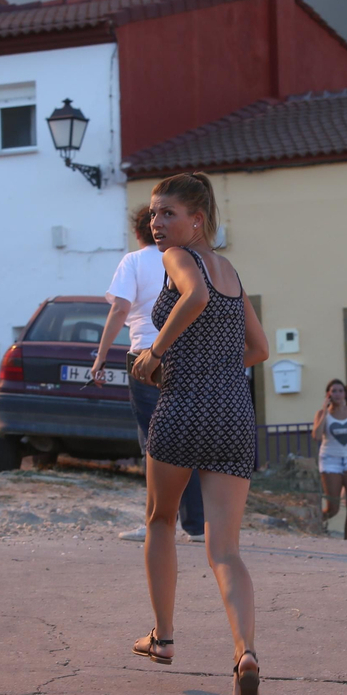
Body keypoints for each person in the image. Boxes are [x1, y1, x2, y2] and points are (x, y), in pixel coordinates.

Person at [128, 172, 270, 695]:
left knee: (160, 520)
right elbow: (257, 348)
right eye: (153, 214)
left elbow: (194, 295)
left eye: (166, 213)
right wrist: (214, 369)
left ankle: (163, 637)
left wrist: (160, 352)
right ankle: (246, 654)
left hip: (183, 407)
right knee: (225, 550)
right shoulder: (233, 271)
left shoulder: (180, 260)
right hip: (234, 412)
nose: (156, 224)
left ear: (197, 220)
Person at [93, 205, 205, 541]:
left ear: (139, 231)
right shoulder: (191, 261)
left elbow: (120, 308)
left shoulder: (133, 262)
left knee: (153, 443)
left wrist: (100, 356)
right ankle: (197, 525)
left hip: (147, 358)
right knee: (188, 439)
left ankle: (158, 523)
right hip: (188, 357)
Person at [311, 378, 347, 539]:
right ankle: (312, 525)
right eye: (334, 391)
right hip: (330, 461)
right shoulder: (322, 414)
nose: (338, 394)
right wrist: (325, 411)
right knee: (333, 508)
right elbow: (317, 436)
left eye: (340, 390)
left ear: (345, 393)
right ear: (328, 394)